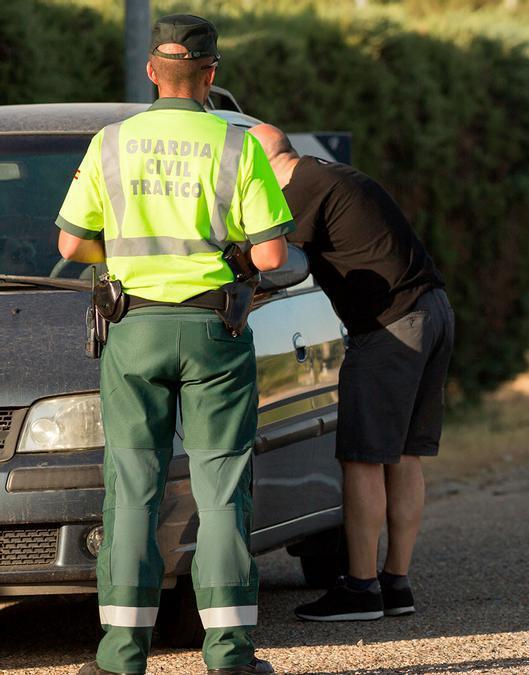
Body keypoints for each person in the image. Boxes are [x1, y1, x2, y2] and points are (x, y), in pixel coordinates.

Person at [58, 15, 293, 675]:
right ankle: (230, 654)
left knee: (131, 488)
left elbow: (71, 245)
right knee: (222, 489)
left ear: (151, 72)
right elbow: (272, 251)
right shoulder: (236, 146)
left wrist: (127, 254)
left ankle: (121, 655)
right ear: (211, 75)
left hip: (134, 330)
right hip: (213, 331)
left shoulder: (110, 143)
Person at [247, 124, 453, 622]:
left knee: (362, 458)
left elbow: (266, 263)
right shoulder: (331, 177)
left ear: (261, 165)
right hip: (433, 310)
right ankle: (395, 584)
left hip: (389, 326)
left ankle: (361, 589)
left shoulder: (298, 193)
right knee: (403, 455)